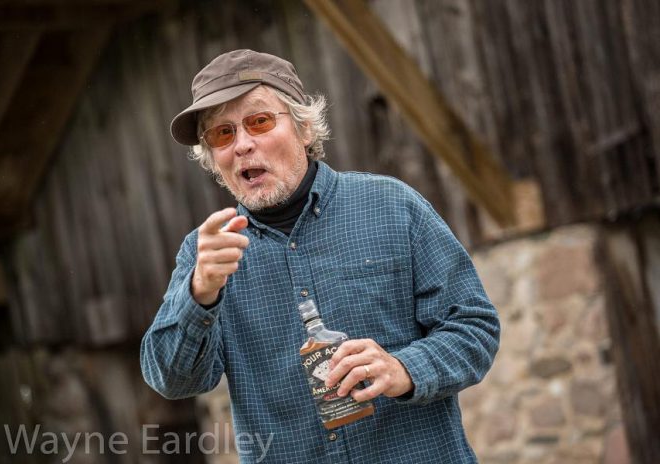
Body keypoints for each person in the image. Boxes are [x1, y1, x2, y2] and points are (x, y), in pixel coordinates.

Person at [141, 49, 500, 463]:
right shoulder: (206, 254)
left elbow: (474, 327)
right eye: (222, 133)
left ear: (304, 128)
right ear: (212, 158)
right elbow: (172, 379)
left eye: (258, 121)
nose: (241, 145)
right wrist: (200, 292)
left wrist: (403, 369)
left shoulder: (391, 206)